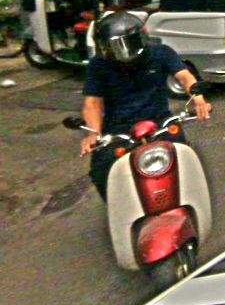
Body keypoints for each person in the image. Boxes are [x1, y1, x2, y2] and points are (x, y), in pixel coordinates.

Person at [80, 11, 212, 201]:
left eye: (129, 43)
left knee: (184, 156)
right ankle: (117, 207)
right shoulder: (98, 65)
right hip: (118, 129)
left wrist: (198, 99)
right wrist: (94, 133)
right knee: (101, 170)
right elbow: (92, 103)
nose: (125, 52)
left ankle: (189, 199)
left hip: (160, 121)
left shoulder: (161, 53)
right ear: (105, 47)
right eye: (117, 46)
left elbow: (184, 76)